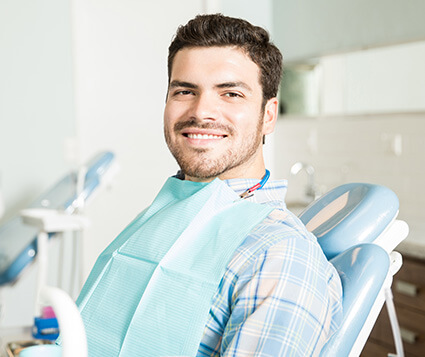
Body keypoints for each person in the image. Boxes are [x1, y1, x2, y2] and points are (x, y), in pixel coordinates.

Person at [72, 14, 342, 357]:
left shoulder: (279, 255)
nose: (201, 112)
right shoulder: (166, 215)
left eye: (230, 93)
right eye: (185, 91)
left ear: (268, 115)